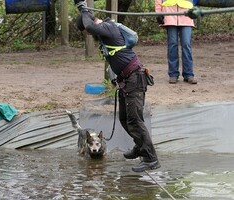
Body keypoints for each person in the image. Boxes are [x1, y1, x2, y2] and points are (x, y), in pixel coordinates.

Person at [74, 0, 160, 172]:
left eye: (86, 31)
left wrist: (82, 8)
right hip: (126, 81)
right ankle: (140, 147)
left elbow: (90, 27)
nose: (89, 34)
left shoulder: (108, 27)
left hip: (135, 79)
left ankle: (151, 159)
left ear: (92, 22)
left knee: (135, 121)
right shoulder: (105, 33)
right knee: (124, 118)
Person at [155, 0, 197, 84]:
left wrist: (194, 8)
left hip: (186, 14)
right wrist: (158, 12)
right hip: (170, 14)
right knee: (172, 45)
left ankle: (189, 74)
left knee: (186, 44)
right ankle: (173, 74)